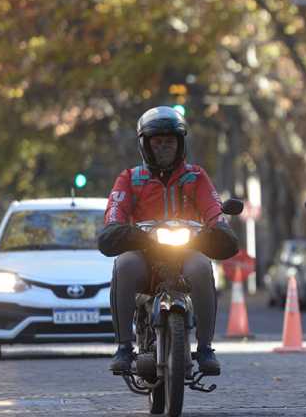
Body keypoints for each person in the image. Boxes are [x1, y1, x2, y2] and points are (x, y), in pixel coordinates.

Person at [98, 106, 239, 374]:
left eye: (170, 142)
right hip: (144, 255)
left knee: (200, 266)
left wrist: (219, 229)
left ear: (181, 144)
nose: (164, 148)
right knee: (124, 265)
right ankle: (124, 347)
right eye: (157, 142)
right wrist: (119, 230)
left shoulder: (196, 177)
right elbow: (113, 217)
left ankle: (206, 349)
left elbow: (214, 212)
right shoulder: (130, 178)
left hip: (186, 252)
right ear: (145, 145)